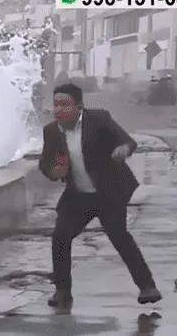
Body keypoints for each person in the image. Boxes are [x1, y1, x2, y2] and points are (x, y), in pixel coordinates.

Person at [39, 83, 162, 307]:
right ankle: (63, 291)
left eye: (65, 104)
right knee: (60, 237)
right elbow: (45, 165)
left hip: (109, 192)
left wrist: (122, 150)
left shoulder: (99, 120)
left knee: (120, 237)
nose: (59, 109)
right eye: (56, 104)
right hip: (78, 196)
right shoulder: (51, 131)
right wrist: (54, 171)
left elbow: (128, 141)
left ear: (78, 106)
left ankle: (148, 287)